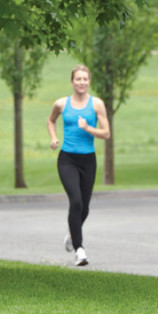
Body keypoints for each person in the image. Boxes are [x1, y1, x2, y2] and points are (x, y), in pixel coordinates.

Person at [47, 65, 110, 266]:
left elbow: (106, 133)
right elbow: (50, 121)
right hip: (67, 160)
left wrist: (88, 128)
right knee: (75, 201)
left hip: (88, 160)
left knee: (85, 208)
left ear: (89, 81)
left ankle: (72, 234)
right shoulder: (62, 104)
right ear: (72, 82)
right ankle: (79, 250)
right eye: (78, 79)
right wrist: (54, 138)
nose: (81, 82)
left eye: (85, 79)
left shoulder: (97, 104)